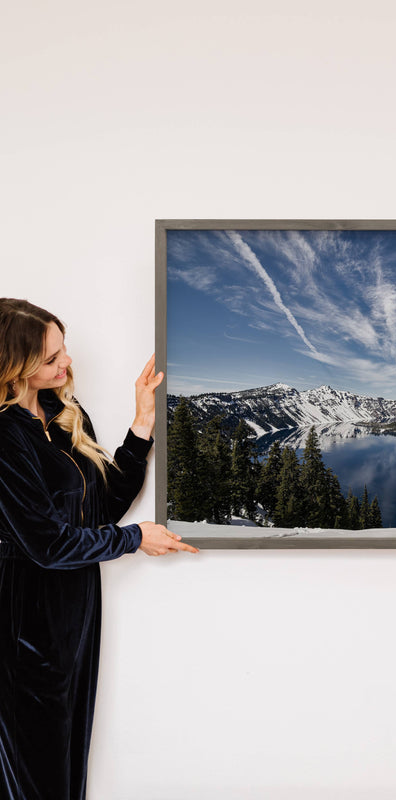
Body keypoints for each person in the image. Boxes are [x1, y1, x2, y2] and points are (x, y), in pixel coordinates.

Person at [0, 298, 198, 800]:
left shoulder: (60, 410)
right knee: (34, 773)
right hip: (22, 622)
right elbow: (46, 544)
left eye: (63, 350)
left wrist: (143, 422)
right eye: (51, 358)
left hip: (73, 615)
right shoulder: (4, 436)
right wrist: (135, 539)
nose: (66, 364)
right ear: (13, 365)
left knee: (65, 762)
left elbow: (102, 505)